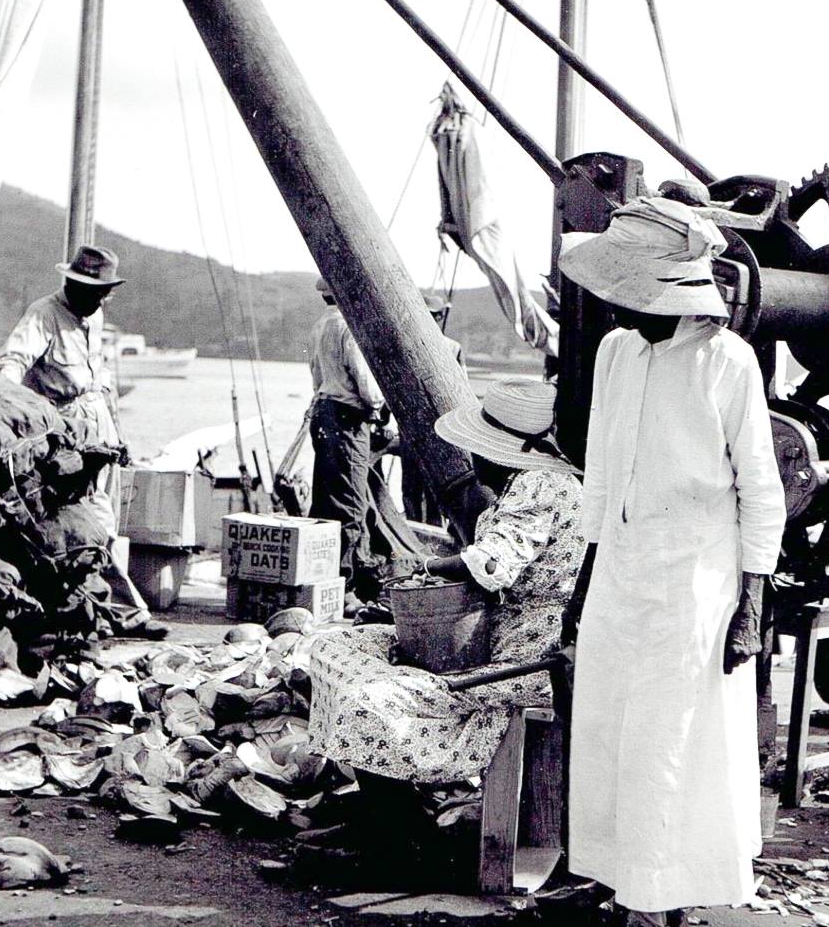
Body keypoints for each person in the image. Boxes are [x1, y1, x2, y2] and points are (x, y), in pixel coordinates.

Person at [559, 197, 786, 925]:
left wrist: (750, 608)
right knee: (607, 725)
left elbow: (762, 490)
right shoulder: (617, 352)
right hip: (621, 566)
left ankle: (666, 898)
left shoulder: (728, 362)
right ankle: (615, 876)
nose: (615, 305)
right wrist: (582, 588)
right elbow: (600, 477)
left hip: (696, 574)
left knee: (671, 735)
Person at [307, 378, 583, 790]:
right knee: (336, 645)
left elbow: (490, 562)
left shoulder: (540, 484)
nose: (471, 458)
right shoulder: (533, 481)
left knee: (367, 703)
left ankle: (393, 821)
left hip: (520, 660)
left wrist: (429, 567)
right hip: (491, 638)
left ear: (495, 451)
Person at [0, 244, 162, 637]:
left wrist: (117, 434)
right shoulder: (43, 315)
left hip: (99, 430)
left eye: (105, 293)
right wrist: (7, 413)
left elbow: (101, 379)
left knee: (107, 520)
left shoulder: (95, 316)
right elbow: (12, 364)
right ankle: (128, 612)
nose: (100, 300)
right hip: (64, 433)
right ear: (73, 284)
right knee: (93, 524)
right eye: (94, 292)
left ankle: (99, 609)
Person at [308, 276, 386, 597]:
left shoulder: (319, 327)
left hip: (323, 413)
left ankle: (325, 578)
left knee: (326, 497)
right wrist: (378, 407)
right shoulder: (347, 327)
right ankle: (351, 586)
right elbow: (366, 384)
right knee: (352, 501)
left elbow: (316, 376)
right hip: (347, 419)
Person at [400, 293, 466, 526]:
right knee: (411, 485)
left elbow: (461, 387)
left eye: (433, 316)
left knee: (433, 487)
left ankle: (432, 529)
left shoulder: (453, 348)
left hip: (438, 429)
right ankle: (415, 528)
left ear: (439, 318)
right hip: (413, 428)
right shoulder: (405, 344)